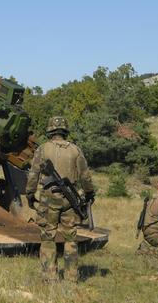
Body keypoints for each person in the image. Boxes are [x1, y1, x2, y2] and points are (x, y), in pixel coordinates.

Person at [26, 116, 94, 283]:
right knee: (71, 239)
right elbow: (85, 176)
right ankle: (71, 277)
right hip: (70, 201)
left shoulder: (42, 149)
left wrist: (30, 194)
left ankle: (49, 277)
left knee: (48, 237)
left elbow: (33, 174)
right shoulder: (75, 150)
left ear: (50, 130)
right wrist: (89, 193)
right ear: (65, 131)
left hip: (49, 200)